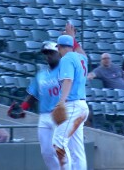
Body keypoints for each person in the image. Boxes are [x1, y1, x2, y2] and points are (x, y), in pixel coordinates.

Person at [20, 41, 62, 169]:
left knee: (60, 150)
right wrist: (23, 108)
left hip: (59, 114)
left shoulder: (65, 69)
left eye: (51, 53)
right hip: (44, 116)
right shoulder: (41, 74)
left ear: (59, 53)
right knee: (46, 152)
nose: (48, 56)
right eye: (46, 53)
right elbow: (33, 95)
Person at [53, 23, 89, 169]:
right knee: (77, 149)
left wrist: (61, 102)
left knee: (59, 143)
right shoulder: (81, 58)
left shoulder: (67, 58)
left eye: (59, 48)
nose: (58, 51)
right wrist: (73, 38)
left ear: (61, 47)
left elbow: (68, 80)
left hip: (73, 105)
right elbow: (82, 52)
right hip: (82, 107)